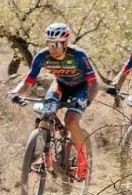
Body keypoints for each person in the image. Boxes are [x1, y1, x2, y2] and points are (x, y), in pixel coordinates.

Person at [11, 22, 98, 180]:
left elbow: (94, 83)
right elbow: (28, 81)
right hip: (60, 86)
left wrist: (88, 100)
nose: (53, 48)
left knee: (71, 122)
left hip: (80, 89)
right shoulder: (42, 56)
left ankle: (83, 161)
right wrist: (16, 93)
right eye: (50, 44)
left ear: (65, 43)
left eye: (57, 44)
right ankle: (46, 156)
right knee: (45, 113)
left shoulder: (78, 55)